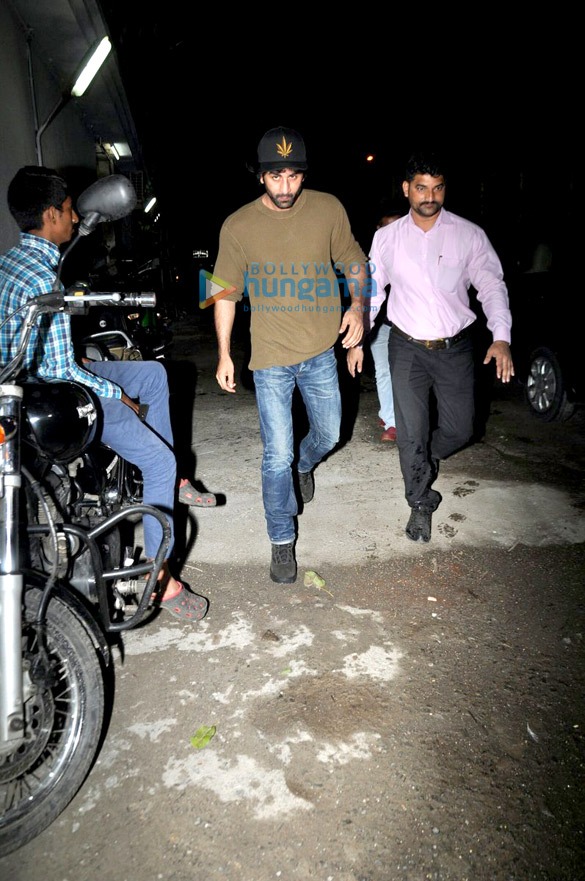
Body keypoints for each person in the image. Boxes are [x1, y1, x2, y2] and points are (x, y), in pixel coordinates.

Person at [0, 166, 208, 621]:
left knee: (152, 375)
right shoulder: (43, 278)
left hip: (28, 383)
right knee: (158, 457)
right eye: (69, 210)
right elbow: (62, 372)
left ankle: (173, 484)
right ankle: (160, 579)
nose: (75, 218)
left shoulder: (10, 263)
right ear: (51, 214)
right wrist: (116, 394)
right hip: (54, 396)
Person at [213, 126, 367, 583]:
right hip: (270, 360)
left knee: (330, 434)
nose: (286, 187)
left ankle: (306, 463)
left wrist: (358, 307)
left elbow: (354, 260)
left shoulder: (328, 208)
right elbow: (223, 293)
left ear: (304, 174)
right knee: (275, 455)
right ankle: (281, 539)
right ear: (260, 175)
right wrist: (224, 353)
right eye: (276, 177)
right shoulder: (237, 225)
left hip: (320, 351)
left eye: (294, 176)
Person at [351, 152, 513, 542]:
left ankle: (424, 458)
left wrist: (501, 337)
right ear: (407, 189)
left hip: (455, 347)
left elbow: (491, 285)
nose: (430, 196)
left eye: (437, 188)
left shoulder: (468, 234)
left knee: (462, 429)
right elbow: (373, 292)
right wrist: (359, 338)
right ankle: (420, 501)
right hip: (406, 346)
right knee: (410, 431)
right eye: (421, 188)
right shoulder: (387, 237)